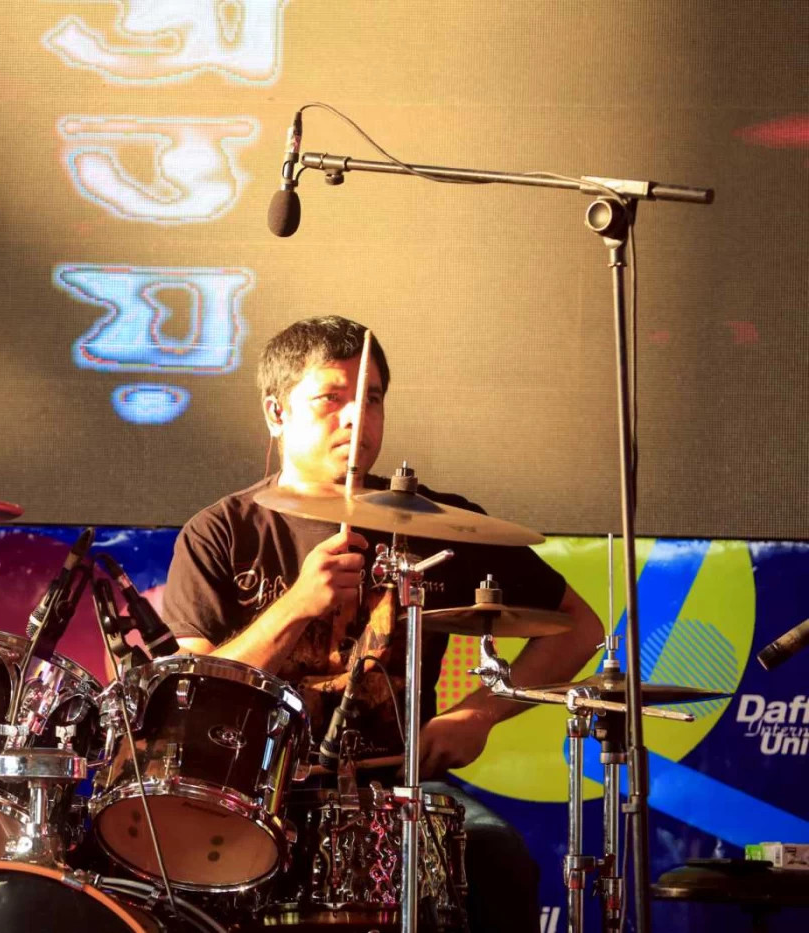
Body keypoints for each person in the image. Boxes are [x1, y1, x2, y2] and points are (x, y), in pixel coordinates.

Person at [162, 316, 605, 933]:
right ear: (276, 412)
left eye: (371, 399)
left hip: (400, 788)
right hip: (260, 794)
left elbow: (581, 627)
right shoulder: (221, 532)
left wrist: (476, 714)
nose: (356, 418)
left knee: (496, 857)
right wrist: (296, 605)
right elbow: (193, 694)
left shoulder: (437, 526)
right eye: (331, 398)